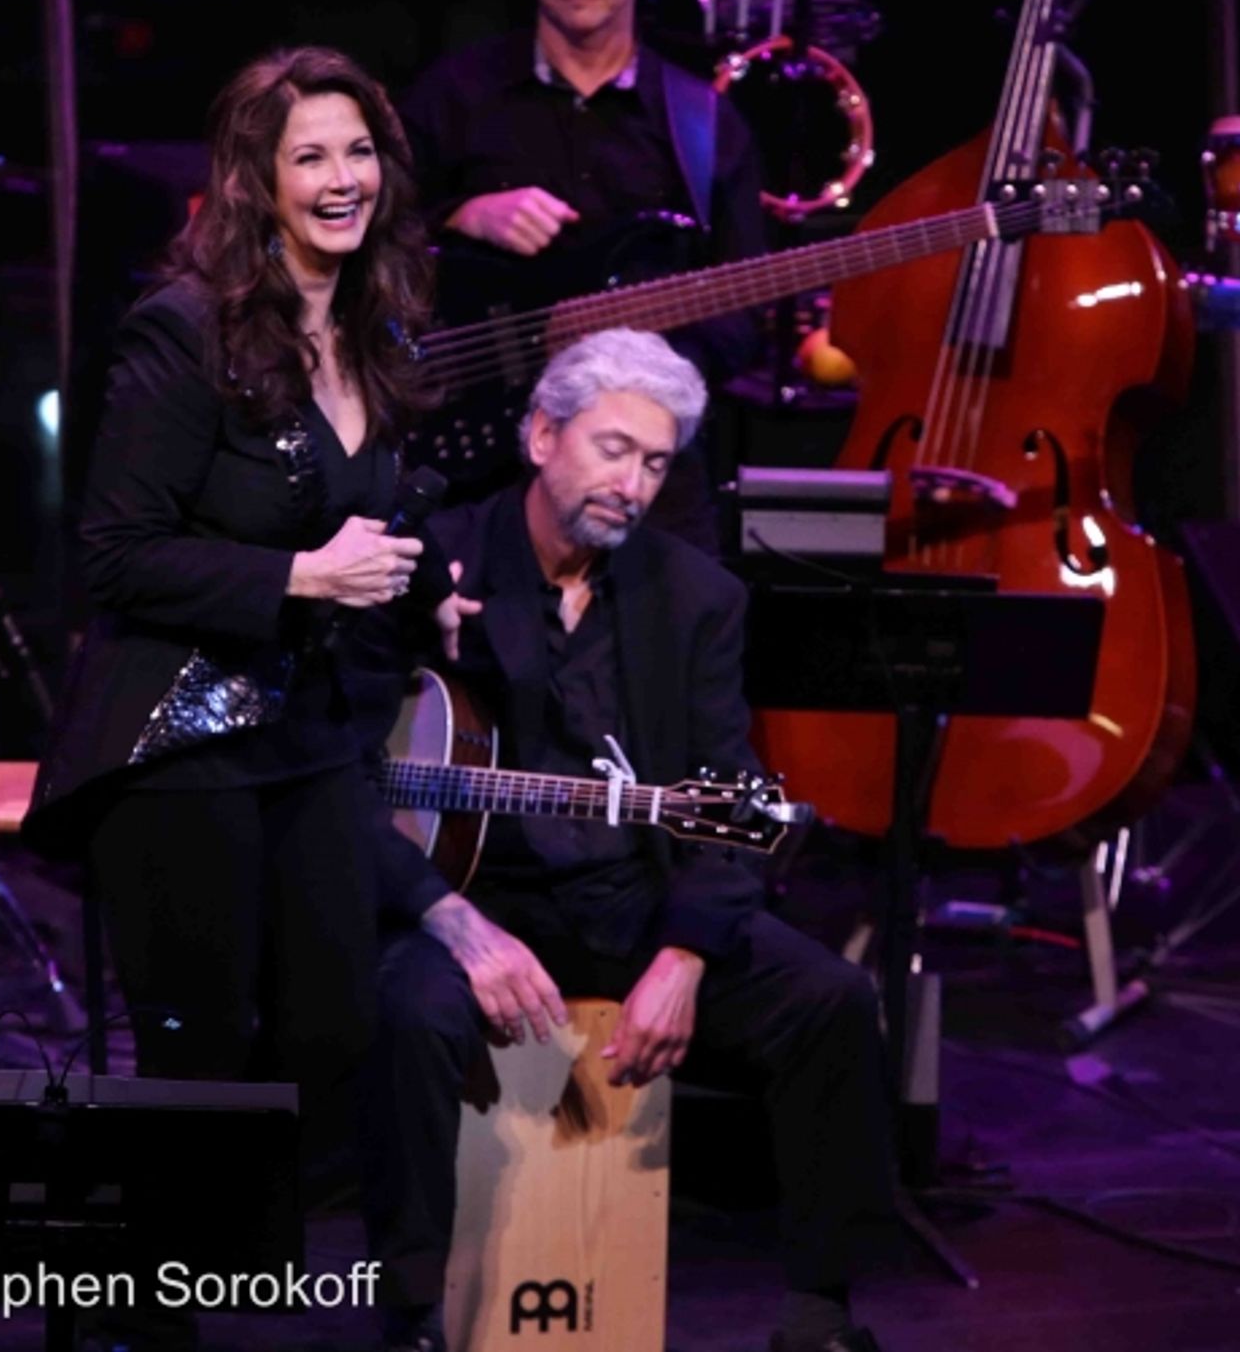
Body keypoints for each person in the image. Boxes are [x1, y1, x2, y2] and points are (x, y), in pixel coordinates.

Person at [25, 45, 477, 1344]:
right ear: (256, 179)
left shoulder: (382, 325)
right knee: (202, 1053)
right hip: (183, 738)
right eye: (310, 156)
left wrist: (421, 578)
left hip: (314, 735)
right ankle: (143, 1313)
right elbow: (114, 550)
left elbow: (365, 515)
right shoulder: (186, 329)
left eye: (358, 151)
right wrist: (297, 575)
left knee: (334, 1021)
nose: (342, 179)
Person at [363, 328, 892, 1352]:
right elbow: (340, 776)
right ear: (540, 434)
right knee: (407, 1013)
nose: (633, 483)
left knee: (830, 999)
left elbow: (729, 798)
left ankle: (821, 1310)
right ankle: (411, 1311)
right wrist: (455, 922)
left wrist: (685, 955)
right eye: (612, 449)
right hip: (471, 901)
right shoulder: (434, 564)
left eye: (654, 463)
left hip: (626, 899)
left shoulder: (696, 597)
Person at [399, 0, 767, 549]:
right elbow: (360, 250)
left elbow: (743, 319)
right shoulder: (451, 97)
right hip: (476, 468)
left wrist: (641, 355)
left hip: (651, 483)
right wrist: (458, 216)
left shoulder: (705, 123)